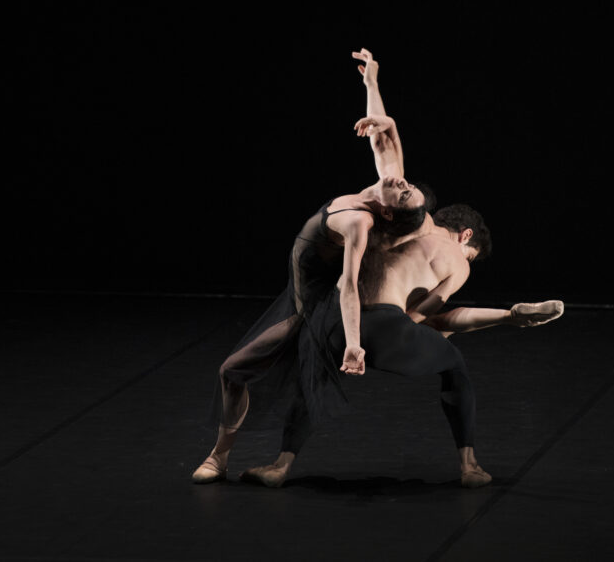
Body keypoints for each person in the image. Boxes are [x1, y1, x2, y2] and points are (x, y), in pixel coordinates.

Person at [191, 49, 431, 483]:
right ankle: (223, 457)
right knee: (243, 374)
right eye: (407, 183)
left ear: (390, 214)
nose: (401, 181)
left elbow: (351, 284)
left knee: (243, 371)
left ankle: (226, 459)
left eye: (403, 192)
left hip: (313, 307)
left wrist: (354, 344)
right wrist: (372, 84)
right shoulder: (379, 185)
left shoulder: (361, 221)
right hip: (298, 294)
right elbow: (383, 138)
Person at [241, 204, 565, 489]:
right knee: (454, 365)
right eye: (471, 255)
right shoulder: (455, 259)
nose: (468, 262)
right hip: (387, 325)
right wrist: (432, 335)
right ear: (465, 236)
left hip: (335, 321)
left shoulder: (400, 226)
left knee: (314, 382)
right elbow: (419, 315)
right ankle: (470, 465)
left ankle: (279, 466)